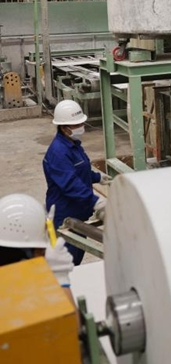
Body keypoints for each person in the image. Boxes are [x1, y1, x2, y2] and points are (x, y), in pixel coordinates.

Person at [43, 100, 108, 265]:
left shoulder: (74, 145)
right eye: (76, 125)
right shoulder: (58, 152)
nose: (81, 127)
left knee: (76, 259)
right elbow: (70, 184)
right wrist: (95, 202)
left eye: (81, 123)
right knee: (65, 264)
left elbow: (80, 171)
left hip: (78, 212)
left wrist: (97, 177)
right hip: (63, 216)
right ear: (64, 128)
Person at [0, 193, 74, 290]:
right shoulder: (21, 289)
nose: (44, 254)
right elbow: (63, 301)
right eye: (42, 251)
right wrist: (61, 278)